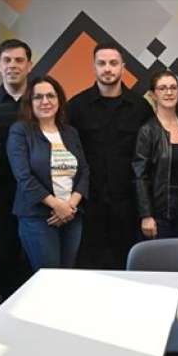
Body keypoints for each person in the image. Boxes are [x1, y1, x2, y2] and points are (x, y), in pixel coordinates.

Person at [67, 43, 153, 269]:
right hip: (87, 204)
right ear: (93, 67)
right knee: (88, 268)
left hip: (128, 205)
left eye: (113, 63)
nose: (107, 68)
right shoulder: (76, 107)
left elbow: (148, 160)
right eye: (102, 63)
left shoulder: (140, 107)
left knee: (127, 267)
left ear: (123, 67)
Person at [7, 76, 89, 271]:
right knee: (48, 278)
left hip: (71, 215)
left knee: (67, 276)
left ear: (59, 100)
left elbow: (84, 171)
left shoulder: (70, 132)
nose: (45, 101)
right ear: (30, 102)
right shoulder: (21, 131)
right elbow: (23, 177)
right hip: (38, 217)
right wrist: (57, 206)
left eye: (51, 96)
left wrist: (70, 206)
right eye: (38, 97)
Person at [0, 39, 33, 297]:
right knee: (1, 255)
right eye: (7, 60)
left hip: (35, 192)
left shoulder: (41, 98)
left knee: (32, 254)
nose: (13, 65)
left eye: (19, 60)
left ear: (29, 66)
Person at [133, 71, 178, 239]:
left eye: (173, 87)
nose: (169, 92)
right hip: (161, 211)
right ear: (153, 95)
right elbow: (140, 176)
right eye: (162, 88)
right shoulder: (147, 131)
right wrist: (146, 215)